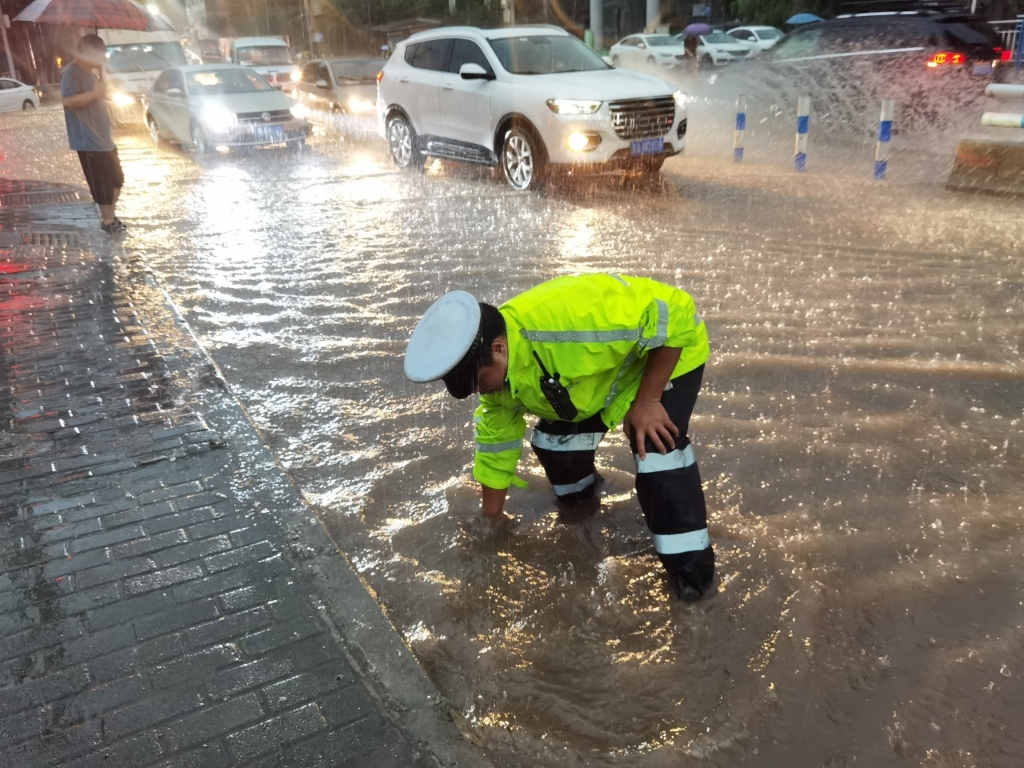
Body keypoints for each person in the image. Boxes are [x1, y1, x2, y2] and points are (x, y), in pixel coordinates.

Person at [403, 274, 714, 601]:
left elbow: (677, 315)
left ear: (498, 348)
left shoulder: (570, 322)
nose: (482, 392)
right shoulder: (496, 379)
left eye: (481, 381)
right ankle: (584, 508)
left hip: (668, 356)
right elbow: (497, 447)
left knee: (654, 449)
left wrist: (648, 400)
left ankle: (695, 585)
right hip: (602, 377)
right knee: (554, 444)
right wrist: (491, 519)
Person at [61, 34, 126, 235]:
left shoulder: (92, 72)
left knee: (117, 180)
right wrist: (95, 93)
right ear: (88, 52)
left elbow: (96, 96)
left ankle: (110, 217)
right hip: (88, 140)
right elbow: (69, 102)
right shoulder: (71, 72)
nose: (104, 57)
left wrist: (104, 91)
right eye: (101, 52)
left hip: (104, 139)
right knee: (103, 185)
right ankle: (107, 221)